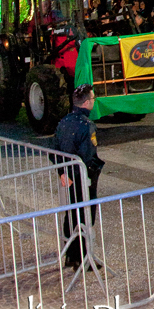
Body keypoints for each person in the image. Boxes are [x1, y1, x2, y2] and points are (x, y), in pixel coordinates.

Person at [52, 85, 104, 271]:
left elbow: (54, 149)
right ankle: (84, 257)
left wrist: (63, 173)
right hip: (83, 177)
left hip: (69, 175)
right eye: (93, 99)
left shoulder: (64, 121)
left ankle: (71, 255)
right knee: (85, 216)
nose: (94, 102)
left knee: (71, 214)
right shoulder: (86, 125)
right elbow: (87, 156)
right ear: (88, 102)